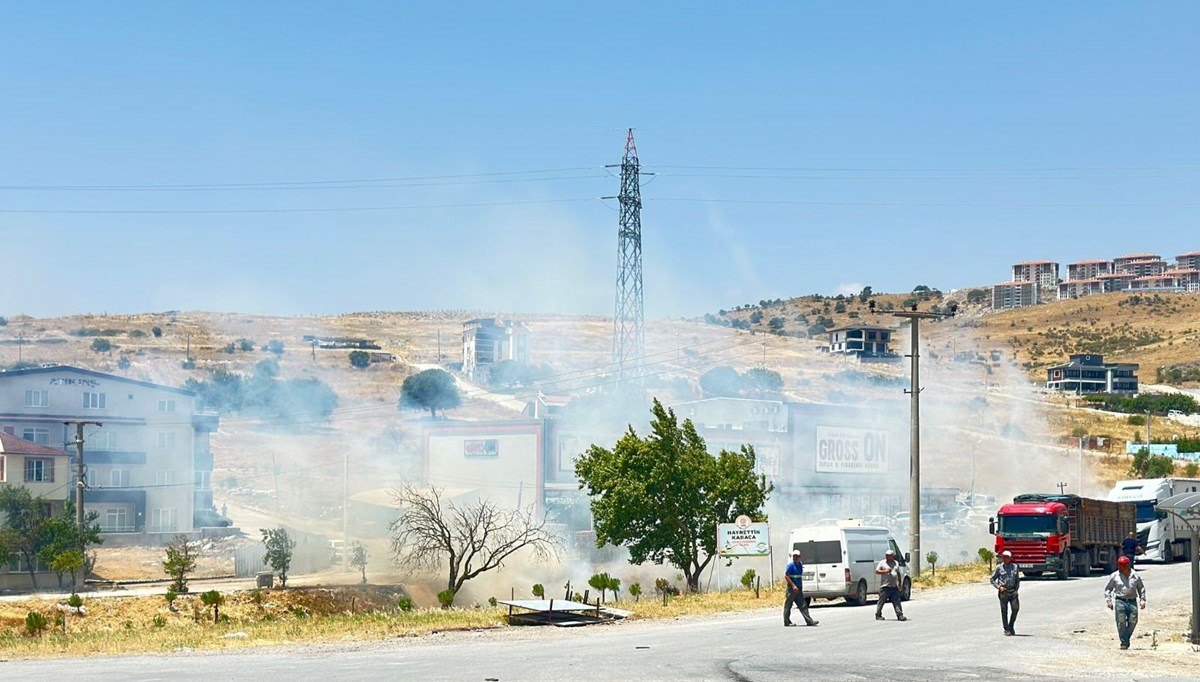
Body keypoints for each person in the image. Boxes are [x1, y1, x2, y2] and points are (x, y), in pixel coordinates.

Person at [1104, 555, 1147, 650]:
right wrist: (1109, 601)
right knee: (1121, 622)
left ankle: (1126, 638)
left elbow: (1141, 588)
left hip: (1132, 602)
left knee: (1133, 621)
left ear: (1127, 565)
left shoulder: (1135, 575)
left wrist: (1142, 600)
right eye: (1119, 565)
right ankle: (1124, 642)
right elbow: (1108, 589)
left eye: (1122, 565)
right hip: (1120, 601)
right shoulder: (1115, 576)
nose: (1120, 568)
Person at [783, 549, 818, 627]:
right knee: (788, 605)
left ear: (800, 557)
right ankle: (787, 621)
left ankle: (809, 621)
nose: (795, 557)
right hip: (792, 588)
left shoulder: (800, 564)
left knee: (803, 604)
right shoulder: (790, 565)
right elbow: (786, 576)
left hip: (798, 588)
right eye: (794, 556)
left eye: (797, 556)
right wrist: (793, 585)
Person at [990, 549, 1021, 636]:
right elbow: (992, 579)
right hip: (1004, 592)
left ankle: (1011, 626)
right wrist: (999, 587)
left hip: (1013, 591)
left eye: (1007, 557)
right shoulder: (999, 568)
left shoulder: (1015, 567)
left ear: (1010, 558)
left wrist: (1016, 589)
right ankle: (1006, 629)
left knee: (1015, 609)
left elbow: (1017, 579)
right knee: (1004, 610)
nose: (1005, 559)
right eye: (1004, 557)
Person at [874, 549, 907, 621]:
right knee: (881, 601)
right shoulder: (882, 563)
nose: (887, 557)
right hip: (885, 586)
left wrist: (900, 583)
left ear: (892, 556)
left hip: (894, 586)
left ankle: (900, 615)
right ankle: (878, 614)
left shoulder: (896, 563)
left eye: (889, 556)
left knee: (896, 601)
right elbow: (877, 571)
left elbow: (898, 573)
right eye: (886, 555)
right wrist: (885, 571)